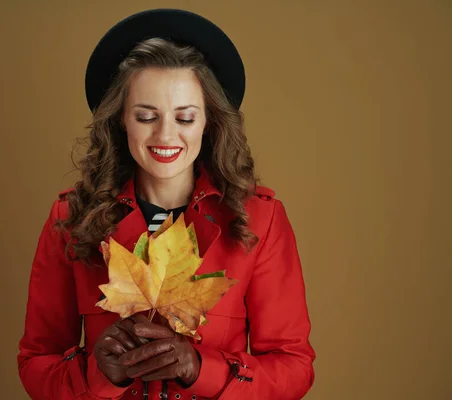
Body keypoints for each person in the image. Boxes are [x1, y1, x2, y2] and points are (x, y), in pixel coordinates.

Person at [17, 8, 315, 400]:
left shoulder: (260, 219)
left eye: (185, 118)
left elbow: (293, 367)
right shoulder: (72, 220)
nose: (166, 135)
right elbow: (37, 363)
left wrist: (200, 368)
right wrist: (98, 372)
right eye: (146, 116)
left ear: (209, 121)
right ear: (121, 118)